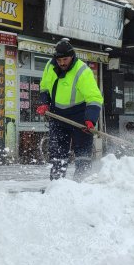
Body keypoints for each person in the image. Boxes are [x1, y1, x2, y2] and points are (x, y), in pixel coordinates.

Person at [36, 38, 103, 181]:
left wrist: (90, 119)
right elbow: (44, 87)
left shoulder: (82, 71)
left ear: (72, 56)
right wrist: (44, 103)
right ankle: (56, 184)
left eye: (65, 59)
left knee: (83, 154)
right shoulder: (50, 66)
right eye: (59, 60)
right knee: (57, 154)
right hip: (57, 116)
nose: (62, 63)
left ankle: (82, 184)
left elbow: (94, 97)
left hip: (80, 117)